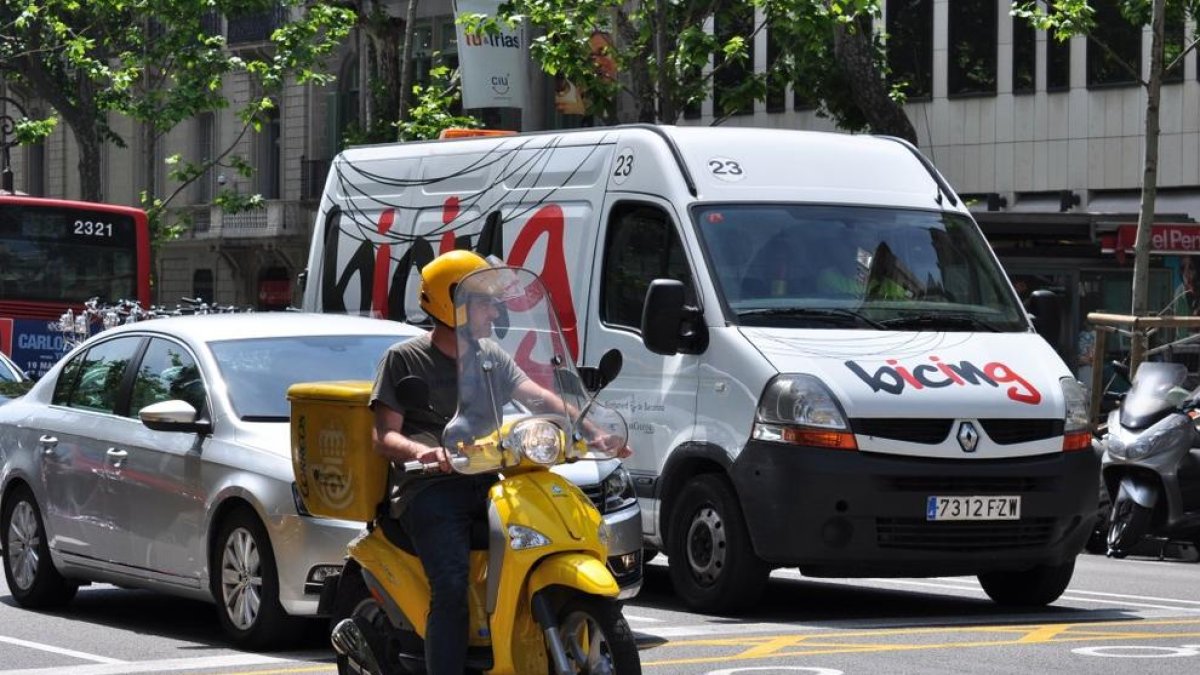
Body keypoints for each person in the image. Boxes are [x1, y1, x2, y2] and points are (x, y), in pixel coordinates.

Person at [370, 250, 630, 674]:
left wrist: (588, 427)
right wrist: (424, 453)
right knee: (450, 587)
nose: (494, 310)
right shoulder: (404, 359)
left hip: (490, 477)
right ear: (450, 303)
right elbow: (385, 435)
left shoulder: (488, 355)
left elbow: (534, 394)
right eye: (484, 301)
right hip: (431, 487)